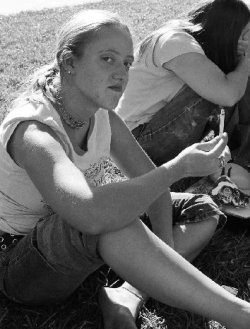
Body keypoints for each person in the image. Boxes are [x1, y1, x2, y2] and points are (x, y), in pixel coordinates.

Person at [0, 8, 249, 329]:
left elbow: (155, 192)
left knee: (202, 208)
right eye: (107, 58)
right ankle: (241, 316)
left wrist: (160, 266)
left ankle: (129, 294)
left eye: (127, 63)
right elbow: (89, 214)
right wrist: (178, 168)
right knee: (111, 212)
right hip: (20, 262)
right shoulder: (33, 132)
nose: (121, 73)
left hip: (82, 243)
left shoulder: (102, 116)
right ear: (68, 62)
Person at [116, 0, 250, 169]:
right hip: (137, 143)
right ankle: (240, 163)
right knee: (224, 85)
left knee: (239, 78)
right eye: (244, 34)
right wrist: (247, 59)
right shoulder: (175, 41)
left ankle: (242, 161)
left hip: (151, 133)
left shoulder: (197, 44)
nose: (246, 41)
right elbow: (227, 95)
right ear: (226, 30)